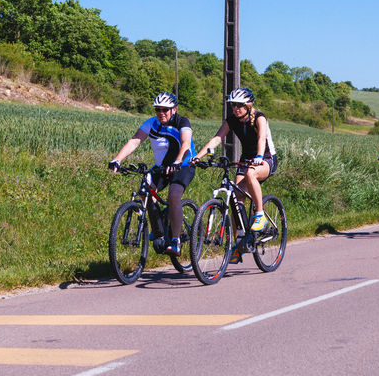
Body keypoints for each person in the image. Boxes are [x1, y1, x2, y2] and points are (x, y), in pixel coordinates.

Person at [193, 87, 278, 263]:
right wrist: (197, 157)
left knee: (250, 174)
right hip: (245, 159)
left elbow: (262, 139)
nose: (235, 109)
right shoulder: (232, 120)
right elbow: (217, 138)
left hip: (266, 159)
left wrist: (259, 157)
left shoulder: (259, 118)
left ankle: (260, 214)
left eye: (239, 105)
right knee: (235, 200)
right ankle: (239, 243)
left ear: (248, 105)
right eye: (233, 105)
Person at [108, 92, 196, 257]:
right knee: (144, 191)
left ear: (174, 109)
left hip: (183, 165)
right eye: (158, 109)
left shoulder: (182, 122)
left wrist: (177, 162)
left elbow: (185, 144)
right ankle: (160, 231)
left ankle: (176, 240)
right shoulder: (152, 123)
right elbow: (135, 140)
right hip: (161, 167)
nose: (161, 113)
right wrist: (117, 160)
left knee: (174, 195)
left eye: (165, 109)